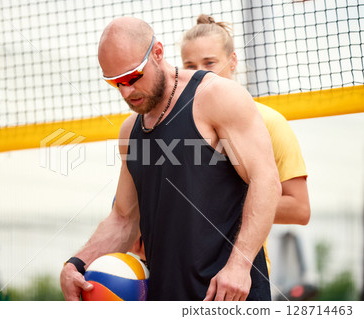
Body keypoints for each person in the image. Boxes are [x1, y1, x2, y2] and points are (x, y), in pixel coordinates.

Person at [60, 16, 281, 301]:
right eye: (116, 83)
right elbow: (124, 219)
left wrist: (239, 266)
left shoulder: (217, 96)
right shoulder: (130, 131)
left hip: (228, 297)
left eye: (132, 77)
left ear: (158, 53)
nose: (126, 91)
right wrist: (77, 263)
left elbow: (266, 181)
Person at [180, 14, 311, 270]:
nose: (200, 75)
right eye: (190, 66)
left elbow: (299, 209)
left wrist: (218, 205)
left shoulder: (269, 121)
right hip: (179, 272)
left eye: (209, 63)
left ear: (232, 61)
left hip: (241, 275)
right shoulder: (174, 125)